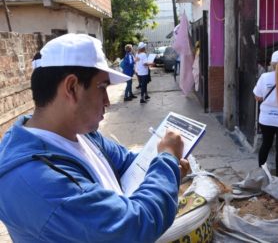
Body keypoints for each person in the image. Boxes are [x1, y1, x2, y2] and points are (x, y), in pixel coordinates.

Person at [0, 34, 190, 242]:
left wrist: (165, 172)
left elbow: (128, 163)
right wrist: (166, 160)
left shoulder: (80, 134)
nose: (107, 101)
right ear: (71, 87)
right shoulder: (33, 181)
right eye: (102, 87)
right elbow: (134, 226)